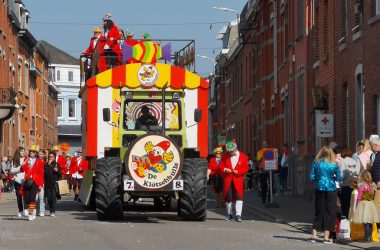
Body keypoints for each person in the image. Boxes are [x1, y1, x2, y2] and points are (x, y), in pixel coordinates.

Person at [309, 146, 342, 244]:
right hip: (331, 189)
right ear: (331, 154)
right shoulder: (334, 164)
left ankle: (313, 236)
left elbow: (311, 177)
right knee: (330, 212)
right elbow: (339, 177)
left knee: (319, 211)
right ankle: (326, 237)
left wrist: (318, 180)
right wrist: (333, 179)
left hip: (319, 188)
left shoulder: (316, 163)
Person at [219, 140, 248, 222]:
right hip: (228, 179)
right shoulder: (225, 156)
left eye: (231, 151)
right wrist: (225, 169)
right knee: (228, 197)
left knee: (239, 197)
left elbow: (246, 168)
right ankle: (229, 214)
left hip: (238, 179)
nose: (230, 153)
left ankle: (238, 215)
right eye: (229, 151)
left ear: (235, 149)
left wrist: (238, 171)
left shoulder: (243, 156)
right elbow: (221, 165)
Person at [352, 170, 379, 242]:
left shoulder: (362, 187)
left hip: (363, 204)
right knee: (369, 222)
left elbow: (359, 197)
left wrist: (357, 206)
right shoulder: (372, 186)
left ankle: (366, 238)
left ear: (362, 178)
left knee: (365, 222)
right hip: (370, 204)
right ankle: (370, 237)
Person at [20, 145, 45, 221]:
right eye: (31, 151)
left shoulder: (40, 161)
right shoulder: (26, 160)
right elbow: (22, 170)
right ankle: (33, 209)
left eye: (33, 152)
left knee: (32, 197)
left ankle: (31, 213)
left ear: (36, 153)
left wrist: (40, 184)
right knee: (26, 198)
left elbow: (41, 173)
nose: (32, 153)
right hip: (27, 180)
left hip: (35, 181)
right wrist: (23, 165)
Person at [339, 148, 360, 219]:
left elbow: (342, 176)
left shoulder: (343, 161)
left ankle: (345, 222)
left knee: (345, 206)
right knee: (352, 205)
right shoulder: (354, 161)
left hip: (345, 186)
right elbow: (357, 172)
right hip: (353, 186)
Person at [10, 147, 27, 217]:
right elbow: (12, 171)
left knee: (26, 196)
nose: (23, 152)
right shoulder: (14, 160)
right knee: (19, 197)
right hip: (17, 181)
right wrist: (20, 168)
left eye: (24, 151)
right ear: (18, 152)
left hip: (25, 180)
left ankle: (26, 209)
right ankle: (20, 210)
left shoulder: (27, 159)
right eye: (22, 151)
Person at [44, 151, 62, 217]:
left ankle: (53, 211)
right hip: (48, 183)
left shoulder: (57, 164)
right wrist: (48, 165)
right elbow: (44, 174)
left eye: (52, 157)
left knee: (53, 197)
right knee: (49, 198)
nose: (51, 158)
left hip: (54, 183)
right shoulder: (46, 164)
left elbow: (60, 174)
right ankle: (50, 208)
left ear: (54, 157)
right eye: (50, 157)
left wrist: (57, 171)